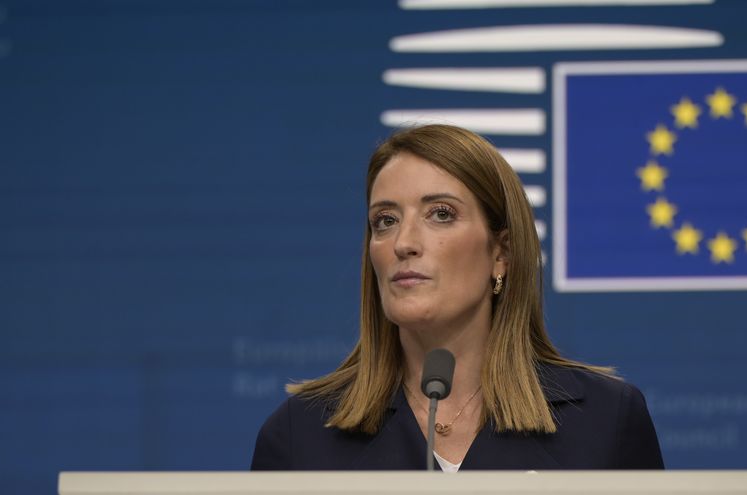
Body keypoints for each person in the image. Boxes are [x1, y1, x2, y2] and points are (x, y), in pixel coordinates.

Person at [251, 124, 663, 471]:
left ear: (500, 254)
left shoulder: (606, 420)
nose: (403, 243)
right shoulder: (299, 435)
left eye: (441, 214)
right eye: (385, 221)